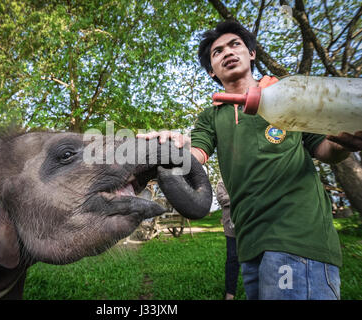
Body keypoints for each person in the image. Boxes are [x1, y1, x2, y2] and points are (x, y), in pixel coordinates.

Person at [137, 20, 362, 300]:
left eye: (235, 44)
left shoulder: (289, 97)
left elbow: (325, 150)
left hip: (298, 237)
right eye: (217, 52)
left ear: (251, 53)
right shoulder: (212, 116)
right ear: (211, 70)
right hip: (249, 243)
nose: (228, 52)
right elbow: (195, 154)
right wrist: (172, 149)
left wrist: (344, 142)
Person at [216, 179, 240, 300]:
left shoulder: (245, 175)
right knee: (232, 258)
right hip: (231, 226)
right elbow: (222, 199)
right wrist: (240, 196)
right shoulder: (222, 181)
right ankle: (230, 293)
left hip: (250, 224)